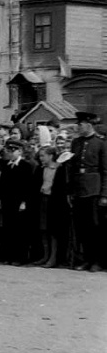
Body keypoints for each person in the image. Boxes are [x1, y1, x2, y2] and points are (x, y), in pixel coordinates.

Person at [68, 111, 107, 271]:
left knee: (95, 227)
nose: (78, 126)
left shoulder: (100, 143)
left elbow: (105, 170)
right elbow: (71, 168)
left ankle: (97, 261)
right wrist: (70, 191)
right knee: (82, 227)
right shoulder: (76, 143)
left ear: (89, 125)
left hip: (94, 189)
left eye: (80, 124)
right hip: (79, 189)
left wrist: (104, 194)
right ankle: (85, 259)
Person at [0, 139, 35, 265]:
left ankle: (20, 257)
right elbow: (2, 185)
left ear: (20, 151)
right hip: (7, 201)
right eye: (9, 151)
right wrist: (0, 199)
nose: (11, 153)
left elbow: (28, 187)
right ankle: (9, 255)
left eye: (14, 151)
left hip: (19, 203)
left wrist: (24, 201)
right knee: (8, 229)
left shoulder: (25, 166)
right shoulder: (7, 166)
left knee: (19, 230)